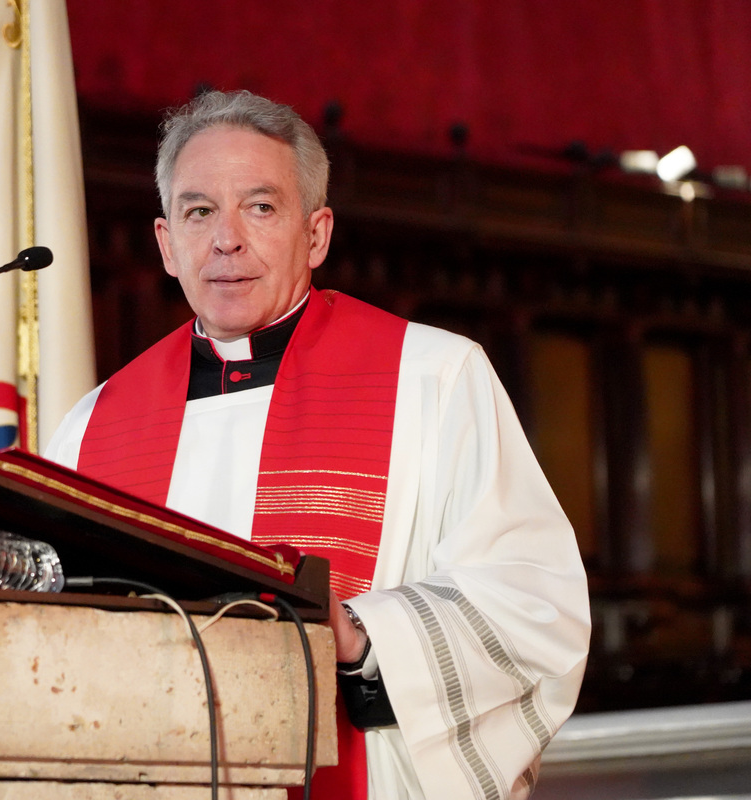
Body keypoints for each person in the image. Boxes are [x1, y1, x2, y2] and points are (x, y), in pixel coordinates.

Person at [44, 90, 590, 800]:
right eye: (199, 210)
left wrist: (362, 637)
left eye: (261, 207)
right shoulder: (91, 426)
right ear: (166, 243)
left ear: (317, 234)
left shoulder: (432, 377)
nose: (226, 239)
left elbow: (534, 603)